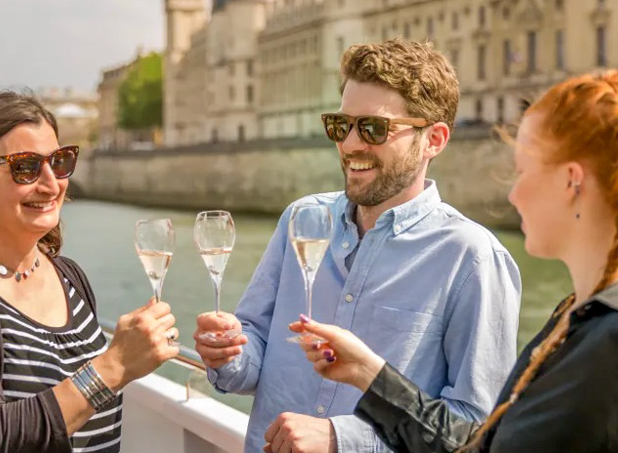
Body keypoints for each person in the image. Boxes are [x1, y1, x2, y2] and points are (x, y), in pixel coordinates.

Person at [292, 71, 618, 452]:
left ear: (572, 181)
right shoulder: (583, 315)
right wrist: (370, 375)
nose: (514, 194)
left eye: (523, 171)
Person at [193, 39, 523, 453]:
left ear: (434, 139)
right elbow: (256, 348)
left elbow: (478, 431)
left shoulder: (472, 259)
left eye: (373, 128)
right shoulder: (301, 219)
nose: (350, 145)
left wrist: (341, 440)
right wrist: (228, 352)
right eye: (340, 125)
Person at [0, 91, 180, 453]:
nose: (51, 183)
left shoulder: (69, 277)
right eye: (25, 166)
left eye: (60, 162)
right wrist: (113, 365)